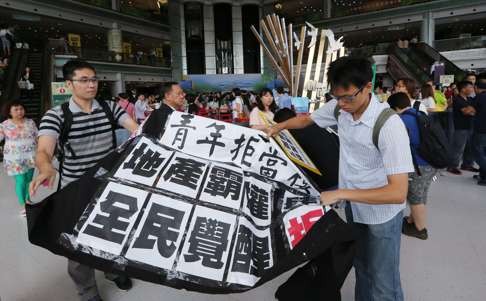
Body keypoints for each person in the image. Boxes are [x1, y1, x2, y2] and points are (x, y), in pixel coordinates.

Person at [266, 56, 414, 301]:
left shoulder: (389, 126)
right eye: (337, 97)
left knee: (383, 280)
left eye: (348, 97)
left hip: (383, 215)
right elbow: (306, 119)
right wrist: (276, 128)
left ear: (368, 87)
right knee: (362, 268)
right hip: (355, 209)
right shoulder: (340, 109)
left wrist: (341, 192)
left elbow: (398, 192)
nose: (342, 104)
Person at [29, 59, 138, 301]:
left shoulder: (110, 107)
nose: (91, 85)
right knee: (77, 245)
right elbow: (44, 150)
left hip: (108, 185)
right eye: (84, 80)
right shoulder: (57, 115)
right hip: (75, 190)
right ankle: (87, 292)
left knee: (114, 233)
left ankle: (112, 271)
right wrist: (46, 168)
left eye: (94, 79)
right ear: (69, 84)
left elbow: (136, 130)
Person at [388, 93, 437, 240]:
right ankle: (411, 219)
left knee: (415, 198)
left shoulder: (402, 120)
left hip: (418, 166)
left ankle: (420, 229)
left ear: (395, 107)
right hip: (431, 163)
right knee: (421, 193)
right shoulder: (419, 114)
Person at [0, 101, 37, 216]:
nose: (19, 111)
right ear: (9, 112)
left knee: (29, 180)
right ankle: (23, 205)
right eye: (16, 109)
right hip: (14, 159)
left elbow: (38, 137)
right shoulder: (4, 125)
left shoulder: (30, 122)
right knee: (21, 181)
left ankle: (28, 200)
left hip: (31, 157)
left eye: (21, 109)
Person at [447, 81, 476, 175]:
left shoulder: (470, 99)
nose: (472, 89)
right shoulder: (457, 99)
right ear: (463, 89)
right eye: (470, 87)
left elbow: (475, 110)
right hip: (460, 126)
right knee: (458, 147)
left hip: (470, 126)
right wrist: (472, 110)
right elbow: (466, 112)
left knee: (470, 147)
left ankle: (467, 164)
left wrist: (472, 110)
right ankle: (452, 166)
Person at [472, 73, 486, 186]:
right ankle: (482, 174)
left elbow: (469, 110)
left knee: (478, 153)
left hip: (481, 129)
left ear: (476, 88)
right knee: (484, 152)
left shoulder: (479, 97)